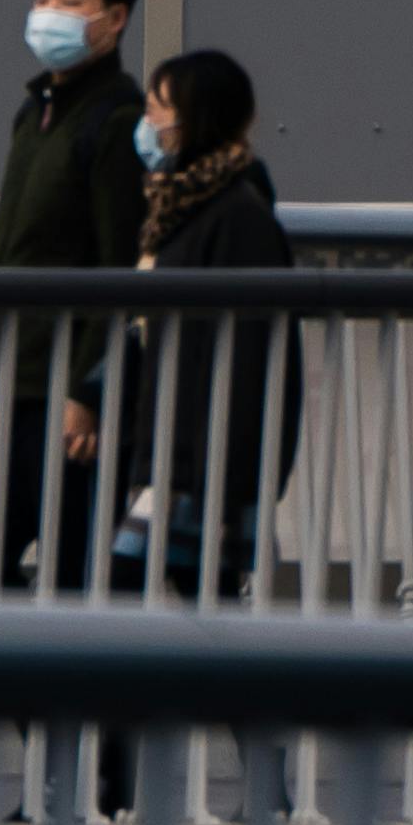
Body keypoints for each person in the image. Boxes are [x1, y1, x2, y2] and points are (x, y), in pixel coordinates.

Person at [0, 0, 142, 590]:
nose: (50, 13)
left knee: (70, 585)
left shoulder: (117, 120)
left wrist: (91, 395)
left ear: (114, 19)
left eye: (71, 0)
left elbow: (123, 268)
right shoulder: (34, 113)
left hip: (63, 402)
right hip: (6, 389)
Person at [109, 47, 294, 612]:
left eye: (159, 107)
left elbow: (249, 353)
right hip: (175, 440)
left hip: (200, 451)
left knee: (154, 579)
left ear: (196, 116)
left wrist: (225, 466)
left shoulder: (234, 214)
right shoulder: (180, 204)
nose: (150, 122)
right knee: (197, 591)